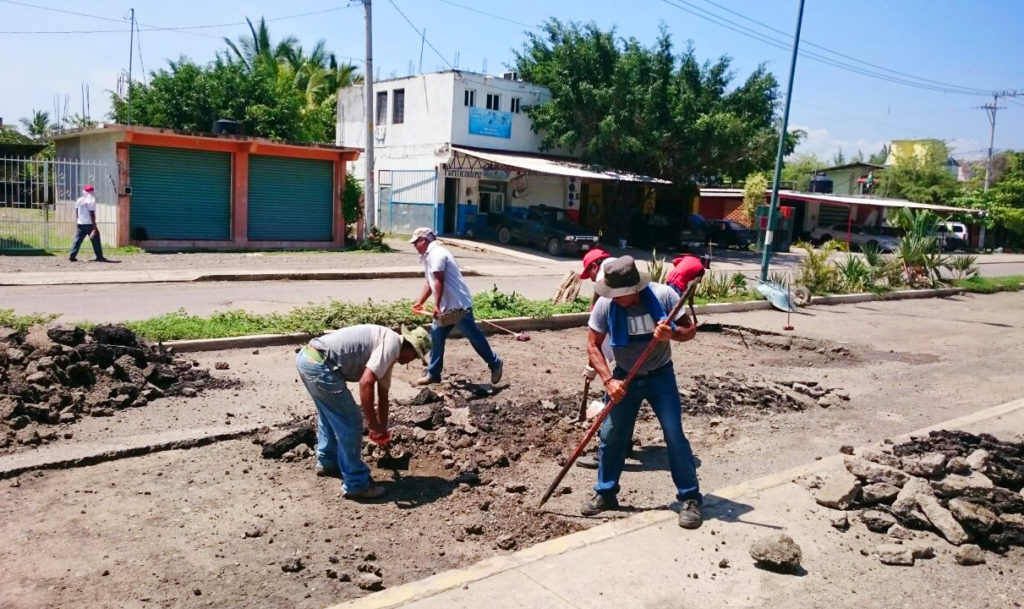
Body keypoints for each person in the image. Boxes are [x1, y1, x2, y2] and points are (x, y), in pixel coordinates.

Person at [583, 256, 703, 528]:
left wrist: (671, 334)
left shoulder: (664, 296)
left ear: (633, 290)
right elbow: (593, 345)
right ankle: (606, 493)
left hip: (660, 374)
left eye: (619, 295)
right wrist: (608, 380)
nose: (613, 298)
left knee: (674, 434)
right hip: (624, 375)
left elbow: (689, 330)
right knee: (612, 435)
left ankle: (690, 498)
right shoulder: (605, 305)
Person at [296, 324, 431, 500]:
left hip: (308, 359)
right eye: (414, 356)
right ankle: (356, 484)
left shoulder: (389, 351)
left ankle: (328, 461)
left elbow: (382, 397)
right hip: (319, 365)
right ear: (410, 347)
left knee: (330, 414)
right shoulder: (390, 346)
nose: (410, 361)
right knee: (351, 420)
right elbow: (366, 383)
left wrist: (382, 430)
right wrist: (372, 425)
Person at [409, 227, 503, 386]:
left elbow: (439, 281)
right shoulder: (429, 255)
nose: (414, 246)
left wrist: (436, 306)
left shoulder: (437, 254)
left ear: (423, 240)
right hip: (448, 307)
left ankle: (495, 363)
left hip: (458, 306)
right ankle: (433, 373)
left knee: (473, 336)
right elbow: (430, 281)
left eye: (415, 242)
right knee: (436, 337)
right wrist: (420, 302)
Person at [69, 184, 110, 262]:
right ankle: (99, 256)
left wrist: (79, 220)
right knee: (96, 240)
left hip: (81, 223)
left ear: (84, 191)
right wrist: (94, 226)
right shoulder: (92, 200)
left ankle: (72, 255)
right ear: (92, 192)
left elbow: (77, 211)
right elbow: (92, 214)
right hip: (90, 224)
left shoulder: (79, 200)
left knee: (77, 240)